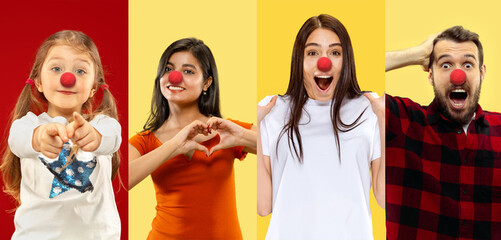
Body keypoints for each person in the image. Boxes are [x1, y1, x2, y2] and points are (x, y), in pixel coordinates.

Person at [257, 14, 384, 240]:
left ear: (346, 61)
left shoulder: (369, 109)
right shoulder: (273, 110)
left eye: (335, 52)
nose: (323, 62)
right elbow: (263, 206)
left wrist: (384, 121)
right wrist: (256, 125)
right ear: (299, 60)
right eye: (312, 52)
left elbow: (384, 199)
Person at [384, 26, 501, 239]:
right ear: (431, 76)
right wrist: (416, 55)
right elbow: (347, 76)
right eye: (445, 65)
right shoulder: (403, 123)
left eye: (468, 64)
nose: (458, 75)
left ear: (481, 73)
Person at [128, 38, 257, 239]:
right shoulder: (144, 141)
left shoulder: (227, 130)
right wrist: (174, 145)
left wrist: (242, 136)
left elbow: (286, 147)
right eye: (168, 69)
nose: (175, 76)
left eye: (188, 71)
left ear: (207, 82)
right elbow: (119, 181)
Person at [1, 30, 122, 239]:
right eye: (56, 68)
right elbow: (18, 140)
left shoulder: (104, 125)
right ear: (38, 81)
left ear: (93, 87)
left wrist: (95, 137)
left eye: (81, 71)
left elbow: (112, 139)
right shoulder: (27, 126)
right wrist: (39, 138)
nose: (68, 78)